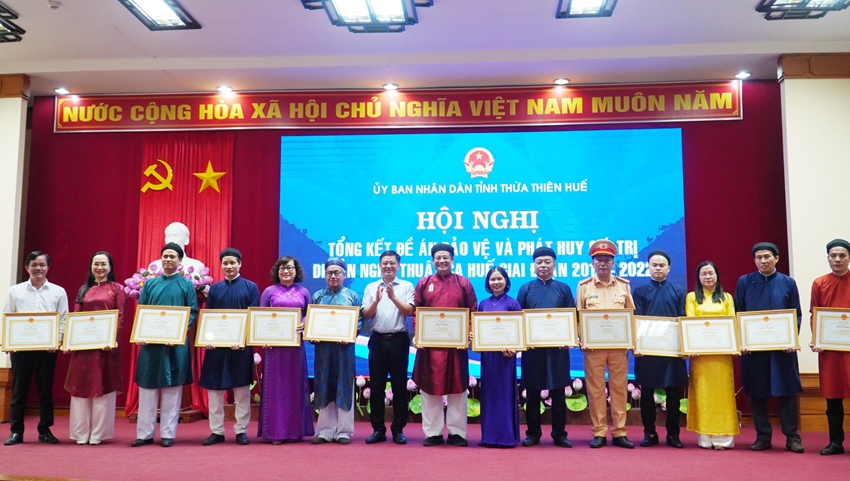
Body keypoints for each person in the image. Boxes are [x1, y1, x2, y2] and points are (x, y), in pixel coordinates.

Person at [734, 242, 803, 453]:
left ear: (776, 258)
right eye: (759, 257)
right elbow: (738, 313)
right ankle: (763, 436)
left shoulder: (788, 283)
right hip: (754, 350)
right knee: (756, 392)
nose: (763, 261)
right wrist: (742, 341)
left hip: (783, 350)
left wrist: (791, 339)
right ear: (754, 260)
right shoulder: (744, 282)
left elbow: (796, 314)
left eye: (767, 257)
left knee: (787, 392)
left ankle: (792, 437)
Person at [131, 243, 199, 448]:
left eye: (172, 257)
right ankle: (145, 434)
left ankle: (168, 433)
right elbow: (142, 311)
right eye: (165, 256)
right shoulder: (150, 285)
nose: (168, 259)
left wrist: (178, 332)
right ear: (161, 259)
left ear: (180, 261)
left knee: (172, 390)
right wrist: (142, 333)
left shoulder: (187, 285)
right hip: (151, 345)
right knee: (148, 390)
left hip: (175, 345)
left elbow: (192, 311)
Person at [413, 243, 478, 447]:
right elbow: (416, 312)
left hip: (456, 347)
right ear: (432, 261)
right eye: (438, 258)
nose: (442, 261)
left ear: (452, 260)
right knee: (429, 389)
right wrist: (419, 335)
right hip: (430, 347)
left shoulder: (463, 283)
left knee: (458, 389)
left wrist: (467, 334)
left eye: (446, 257)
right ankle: (432, 433)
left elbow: (472, 311)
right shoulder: (424, 283)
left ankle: (457, 433)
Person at [4, 251, 69, 446]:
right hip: (20, 350)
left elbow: (63, 319)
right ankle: (16, 431)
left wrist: (56, 341)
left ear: (48, 267)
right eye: (34, 264)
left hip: (47, 350)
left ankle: (45, 430)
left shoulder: (58, 291)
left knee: (45, 391)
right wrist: (9, 342)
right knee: (18, 391)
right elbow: (7, 316)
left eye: (42, 264)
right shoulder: (15, 291)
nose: (38, 268)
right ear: (27, 267)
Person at [576, 240, 636, 449]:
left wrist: (632, 341)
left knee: (619, 388)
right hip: (594, 348)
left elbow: (631, 315)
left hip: (618, 347)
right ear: (592, 263)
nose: (603, 263)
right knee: (596, 390)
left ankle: (620, 432)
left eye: (607, 259)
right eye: (598, 259)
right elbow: (579, 317)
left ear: (613, 263)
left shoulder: (623, 285)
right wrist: (582, 338)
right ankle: (599, 431)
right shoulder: (584, 287)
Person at [199, 248, 260, 446]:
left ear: (240, 264)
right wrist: (208, 338)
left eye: (232, 262)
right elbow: (209, 317)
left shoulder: (251, 287)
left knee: (242, 390)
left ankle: (241, 430)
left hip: (240, 347)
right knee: (214, 391)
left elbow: (253, 316)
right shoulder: (215, 289)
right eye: (225, 263)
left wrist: (242, 340)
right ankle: (216, 431)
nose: (229, 266)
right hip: (216, 348)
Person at [516, 246, 575, 448]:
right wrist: (525, 340)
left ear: (554, 265)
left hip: (558, 349)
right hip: (533, 350)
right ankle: (533, 433)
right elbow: (519, 319)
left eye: (547, 262)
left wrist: (569, 338)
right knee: (532, 393)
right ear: (534, 266)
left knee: (558, 393)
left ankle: (559, 434)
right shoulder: (525, 289)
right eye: (539, 262)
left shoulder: (563, 288)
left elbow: (571, 316)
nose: (543, 265)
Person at [66, 251, 124, 445]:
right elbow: (76, 317)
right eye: (96, 264)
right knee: (81, 388)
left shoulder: (117, 289)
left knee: (102, 388)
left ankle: (98, 433)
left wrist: (112, 339)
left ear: (110, 267)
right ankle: (80, 433)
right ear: (91, 266)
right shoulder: (83, 289)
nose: (99, 267)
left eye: (103, 264)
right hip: (83, 347)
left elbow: (120, 316)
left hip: (105, 347)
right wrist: (70, 341)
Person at [632, 250, 687, 449]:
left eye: (661, 265)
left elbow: (682, 319)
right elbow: (637, 320)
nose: (658, 268)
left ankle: (673, 434)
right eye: (654, 265)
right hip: (648, 351)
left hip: (672, 351)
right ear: (648, 267)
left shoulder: (679, 291)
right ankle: (649, 433)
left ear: (669, 268)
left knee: (673, 395)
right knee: (647, 394)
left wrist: (684, 346)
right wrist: (638, 345)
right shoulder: (640, 291)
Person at [257, 255, 314, 444]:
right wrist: (263, 338)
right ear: (277, 271)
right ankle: (276, 433)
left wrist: (304, 323)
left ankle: (294, 432)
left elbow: (309, 315)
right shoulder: (269, 291)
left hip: (295, 348)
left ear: (296, 271)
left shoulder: (304, 292)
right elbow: (261, 317)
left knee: (294, 388)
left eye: (290, 268)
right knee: (275, 390)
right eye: (282, 268)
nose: (286, 271)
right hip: (274, 349)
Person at [361, 251, 414, 445]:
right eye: (385, 263)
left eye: (392, 263)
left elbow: (410, 311)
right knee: (376, 386)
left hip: (399, 340)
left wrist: (393, 298)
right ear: (379, 265)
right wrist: (376, 300)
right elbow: (366, 316)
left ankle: (398, 430)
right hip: (377, 340)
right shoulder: (371, 287)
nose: (388, 266)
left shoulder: (407, 286)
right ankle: (378, 429)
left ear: (398, 265)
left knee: (399, 386)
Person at [685, 260, 739, 450]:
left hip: (721, 356)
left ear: (717, 276)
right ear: (698, 277)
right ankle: (706, 439)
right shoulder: (692, 297)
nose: (708, 277)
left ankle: (723, 440)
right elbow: (690, 322)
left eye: (711, 273)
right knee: (703, 395)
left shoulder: (727, 297)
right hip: (700, 356)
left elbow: (732, 322)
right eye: (704, 274)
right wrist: (691, 346)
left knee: (722, 396)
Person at [311, 258, 362, 445]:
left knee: (344, 386)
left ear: (344, 275)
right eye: (329, 273)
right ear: (325, 275)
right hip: (324, 350)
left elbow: (359, 321)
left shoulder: (352, 296)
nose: (333, 276)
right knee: (324, 386)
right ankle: (325, 430)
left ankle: (344, 431)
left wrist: (350, 334)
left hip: (344, 349)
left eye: (337, 272)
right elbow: (311, 321)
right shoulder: (317, 296)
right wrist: (312, 334)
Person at [809, 238, 850, 456]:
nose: (837, 259)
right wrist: (817, 338)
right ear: (828, 258)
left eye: (842, 255)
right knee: (833, 400)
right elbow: (814, 314)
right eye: (833, 255)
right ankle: (836, 441)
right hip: (830, 351)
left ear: (849, 258)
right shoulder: (819, 283)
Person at [478, 266, 522, 448]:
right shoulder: (483, 304)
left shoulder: (513, 303)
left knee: (504, 396)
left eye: (499, 279)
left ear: (506, 281)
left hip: (506, 357)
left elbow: (519, 331)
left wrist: (514, 349)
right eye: (492, 279)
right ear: (488, 282)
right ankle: (488, 437)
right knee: (489, 395)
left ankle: (506, 437)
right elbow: (479, 330)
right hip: (488, 357)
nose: (496, 282)